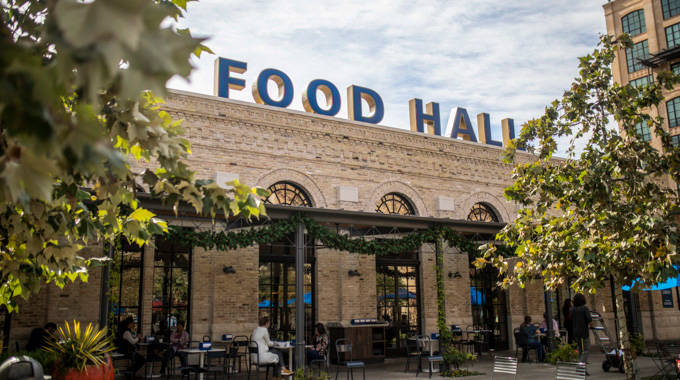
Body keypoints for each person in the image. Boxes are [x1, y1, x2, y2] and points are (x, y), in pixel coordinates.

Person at [570, 293, 594, 376]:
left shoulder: (571, 309)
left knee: (580, 350)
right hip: (583, 331)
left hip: (575, 331)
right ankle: (580, 366)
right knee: (586, 349)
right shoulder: (584, 308)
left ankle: (583, 369)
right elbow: (589, 319)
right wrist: (592, 326)